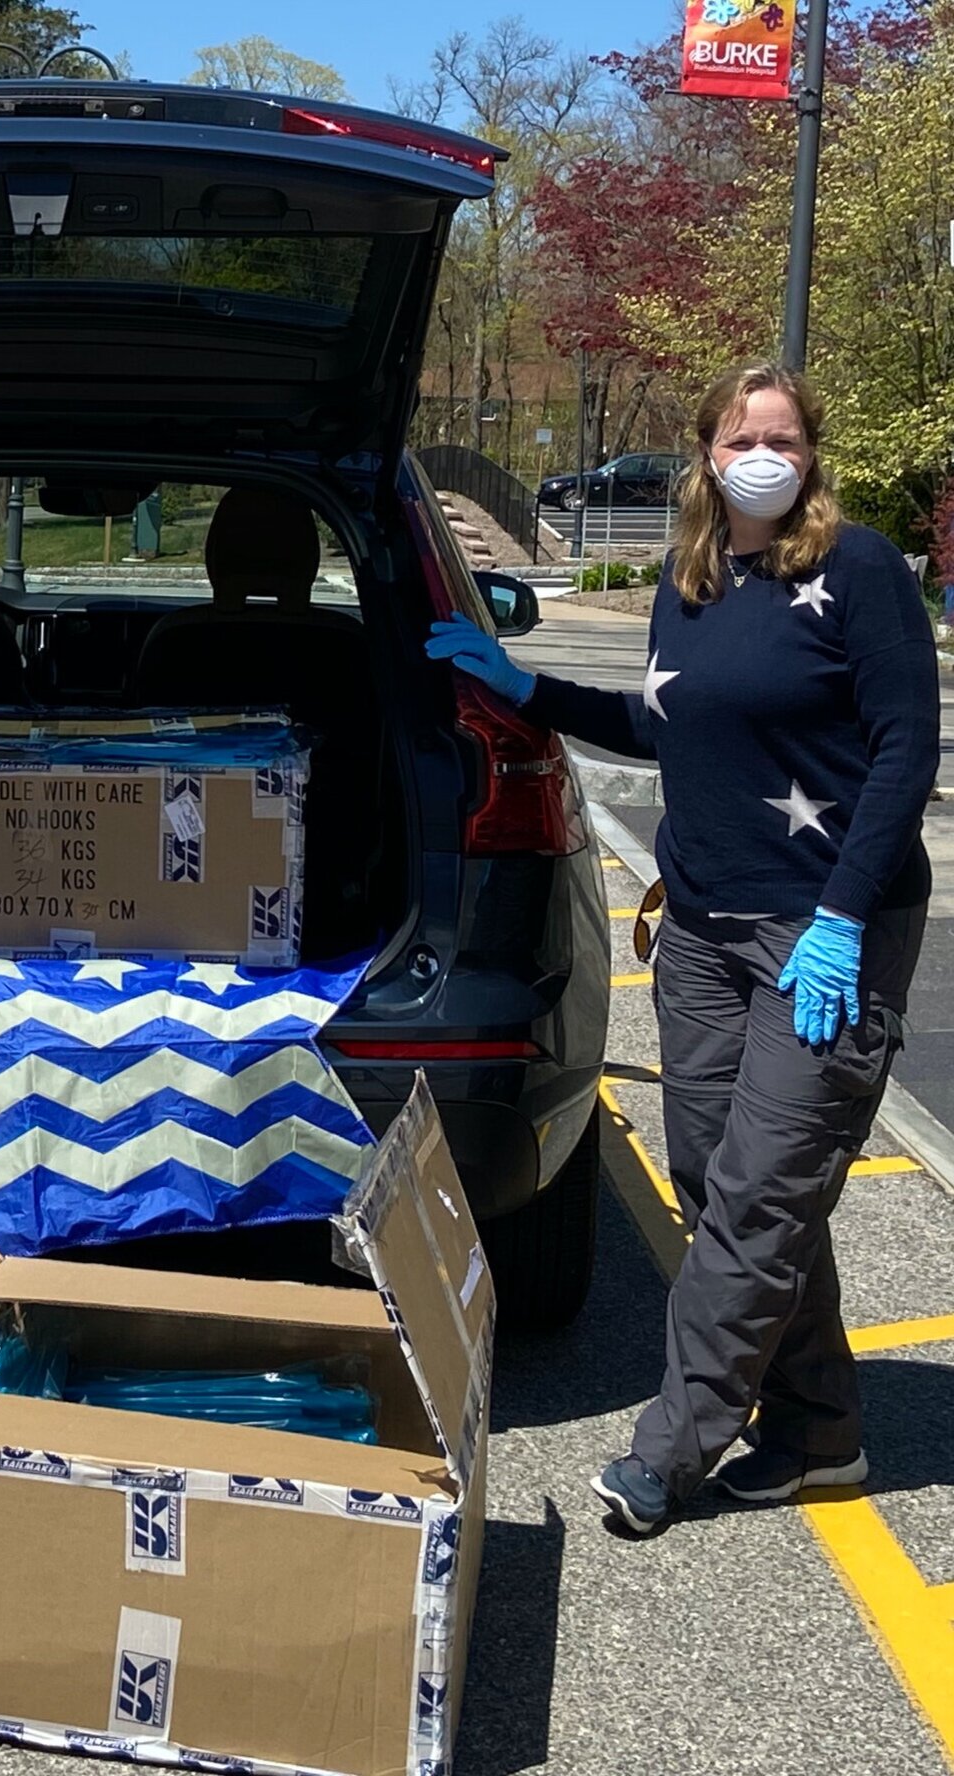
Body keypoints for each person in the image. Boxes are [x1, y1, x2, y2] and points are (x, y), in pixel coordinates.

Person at [428, 362, 938, 1536]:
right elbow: (662, 728)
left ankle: (673, 1446)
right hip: (701, 931)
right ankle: (817, 1431)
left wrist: (843, 919)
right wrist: (520, 684)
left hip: (826, 933)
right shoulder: (690, 579)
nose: (763, 452)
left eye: (784, 435)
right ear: (705, 455)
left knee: (762, 1195)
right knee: (715, 1179)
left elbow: (905, 755)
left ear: (810, 454)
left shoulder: (853, 571)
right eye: (739, 435)